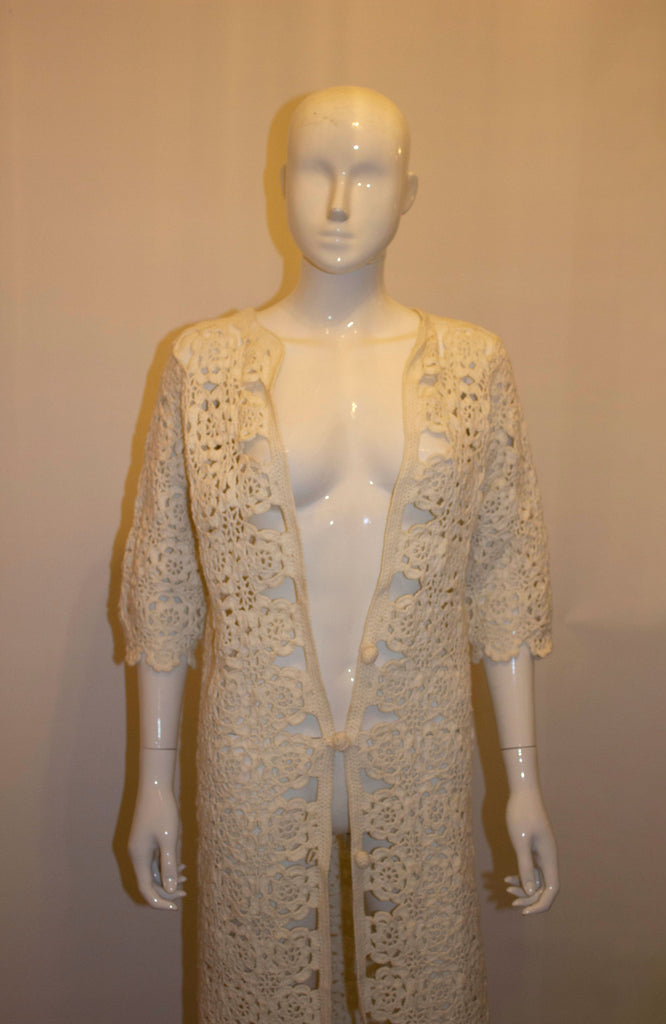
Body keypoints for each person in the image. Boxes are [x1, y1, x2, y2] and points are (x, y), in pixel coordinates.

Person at [121, 86, 558, 1024]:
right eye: (316, 171)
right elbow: (164, 583)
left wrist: (522, 780)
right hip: (253, 766)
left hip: (419, 761)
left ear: (411, 193)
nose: (336, 201)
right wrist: (153, 779)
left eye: (367, 174)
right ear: (279, 184)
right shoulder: (203, 365)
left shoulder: (474, 365)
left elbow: (503, 576)